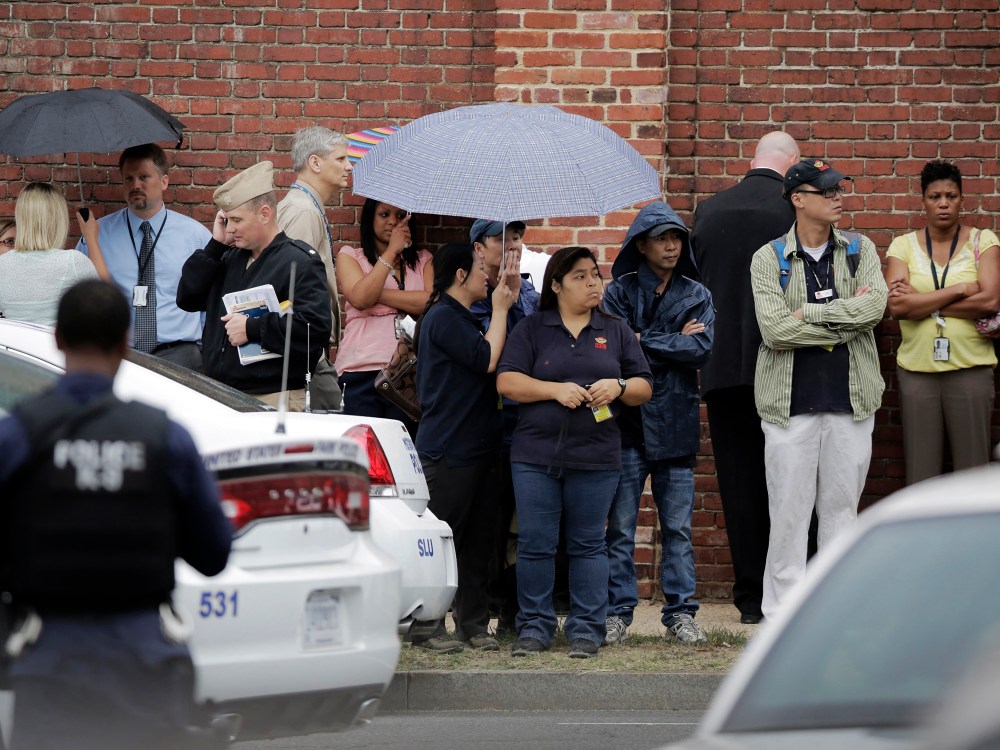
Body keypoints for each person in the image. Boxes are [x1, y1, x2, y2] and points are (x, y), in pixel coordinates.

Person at [0, 279, 232, 750]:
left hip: (49, 665)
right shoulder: (165, 437)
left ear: (58, 339)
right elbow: (213, 554)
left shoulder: (20, 434)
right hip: (142, 664)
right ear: (126, 342)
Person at [497, 246, 653, 659]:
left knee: (588, 543)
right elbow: (507, 381)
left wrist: (618, 387)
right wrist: (554, 390)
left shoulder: (615, 329)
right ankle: (535, 627)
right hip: (535, 456)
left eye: (594, 275)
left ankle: (587, 628)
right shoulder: (532, 328)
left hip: (597, 455)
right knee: (535, 543)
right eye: (580, 276)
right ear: (556, 284)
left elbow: (644, 387)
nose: (592, 283)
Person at [750, 158, 887, 620]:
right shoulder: (767, 258)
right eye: (825, 190)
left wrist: (807, 315)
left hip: (851, 401)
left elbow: (874, 308)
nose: (837, 196)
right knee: (788, 513)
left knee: (842, 510)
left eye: (839, 189)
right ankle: (782, 614)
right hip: (789, 405)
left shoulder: (860, 249)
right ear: (797, 199)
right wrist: (843, 320)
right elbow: (773, 331)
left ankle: (837, 611)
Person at [690, 131, 800, 625]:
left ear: (752, 159)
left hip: (720, 366)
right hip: (781, 364)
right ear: (791, 165)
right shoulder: (792, 212)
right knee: (791, 481)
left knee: (738, 482)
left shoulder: (709, 212)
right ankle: (790, 589)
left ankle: (750, 597)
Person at [603, 201, 715, 645]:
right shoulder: (617, 292)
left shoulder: (697, 294)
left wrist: (641, 340)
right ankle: (617, 613)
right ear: (641, 245)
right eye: (662, 239)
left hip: (676, 421)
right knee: (619, 528)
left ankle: (681, 614)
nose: (671, 246)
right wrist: (668, 341)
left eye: (676, 239)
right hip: (626, 424)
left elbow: (701, 349)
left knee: (678, 529)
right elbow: (613, 349)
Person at [412, 242, 516, 653]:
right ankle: (428, 625)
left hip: (479, 448)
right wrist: (503, 308)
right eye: (478, 268)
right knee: (441, 538)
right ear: (459, 274)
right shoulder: (443, 317)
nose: (485, 275)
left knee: (478, 541)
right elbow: (485, 358)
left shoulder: (466, 318)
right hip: (448, 449)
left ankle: (472, 624)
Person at [176, 161, 331, 409]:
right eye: (226, 220)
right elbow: (187, 298)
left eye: (237, 219)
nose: (231, 228)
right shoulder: (227, 257)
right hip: (222, 394)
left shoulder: (298, 261)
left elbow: (315, 329)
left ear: (265, 213)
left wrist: (253, 327)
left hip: (272, 396)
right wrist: (215, 246)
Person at [885, 160, 1000, 484]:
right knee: (921, 475)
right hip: (918, 372)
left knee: (973, 473)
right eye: (935, 196)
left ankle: (976, 536)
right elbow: (898, 306)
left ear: (962, 199)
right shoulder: (902, 246)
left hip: (971, 369)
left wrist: (925, 303)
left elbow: (990, 300)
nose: (944, 203)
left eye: (951, 195)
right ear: (923, 201)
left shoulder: (983, 241)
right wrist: (960, 290)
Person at [76, 144, 212, 370]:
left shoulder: (195, 237)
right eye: (128, 179)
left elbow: (211, 299)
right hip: (119, 356)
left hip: (181, 357)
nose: (135, 185)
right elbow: (80, 293)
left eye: (144, 177)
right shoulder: (97, 235)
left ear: (164, 181)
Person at [469, 218, 540, 635]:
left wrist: (516, 296)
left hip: (524, 420)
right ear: (479, 248)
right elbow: (487, 352)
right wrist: (501, 300)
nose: (511, 244)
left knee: (520, 520)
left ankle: (515, 614)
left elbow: (534, 343)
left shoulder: (529, 290)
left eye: (516, 236)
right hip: (482, 421)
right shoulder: (471, 293)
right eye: (500, 237)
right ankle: (478, 609)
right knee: (485, 520)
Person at [335, 199, 432, 432]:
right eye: (384, 214)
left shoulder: (423, 260)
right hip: (361, 369)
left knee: (401, 452)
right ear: (370, 219)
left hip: (408, 371)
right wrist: (391, 252)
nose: (392, 221)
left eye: (400, 216)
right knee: (364, 452)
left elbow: (429, 302)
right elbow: (359, 299)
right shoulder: (350, 256)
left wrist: (375, 293)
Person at [276, 126, 353, 410]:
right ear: (315, 162)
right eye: (341, 159)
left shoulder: (305, 206)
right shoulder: (304, 211)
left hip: (306, 348)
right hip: (305, 352)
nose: (349, 166)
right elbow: (292, 286)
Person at [0, 183, 106, 326]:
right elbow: (108, 300)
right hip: (58, 347)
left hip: (13, 348)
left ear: (21, 218)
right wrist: (91, 237)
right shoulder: (72, 261)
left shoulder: (2, 264)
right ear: (58, 219)